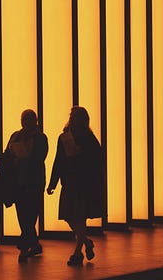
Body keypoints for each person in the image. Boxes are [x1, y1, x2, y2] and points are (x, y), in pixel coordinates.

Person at [47, 106, 106, 265]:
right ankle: (86, 241)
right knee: (70, 216)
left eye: (75, 116)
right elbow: (58, 160)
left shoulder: (87, 138)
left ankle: (78, 251)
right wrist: (53, 181)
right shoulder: (66, 137)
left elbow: (97, 160)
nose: (73, 118)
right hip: (71, 182)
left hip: (82, 182)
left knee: (77, 217)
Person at [5, 109, 49, 262]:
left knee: (29, 217)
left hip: (33, 182)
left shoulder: (40, 138)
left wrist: (19, 160)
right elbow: (7, 154)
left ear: (35, 120)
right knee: (24, 216)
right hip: (20, 182)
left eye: (29, 119)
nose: (26, 122)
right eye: (24, 119)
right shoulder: (18, 135)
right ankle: (34, 244)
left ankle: (24, 248)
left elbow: (39, 157)